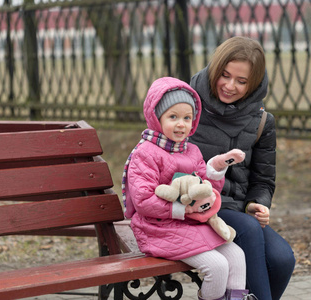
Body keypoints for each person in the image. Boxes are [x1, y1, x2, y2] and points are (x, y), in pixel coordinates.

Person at [122, 76, 255, 300]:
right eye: (173, 117)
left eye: (187, 117)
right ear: (156, 117)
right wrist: (184, 209)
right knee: (217, 266)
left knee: (236, 255)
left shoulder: (191, 150)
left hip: (190, 225)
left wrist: (216, 168)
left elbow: (205, 188)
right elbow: (144, 201)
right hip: (157, 228)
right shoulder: (146, 153)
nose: (181, 124)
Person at [190, 36, 296, 300]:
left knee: (282, 259)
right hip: (192, 208)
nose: (229, 85)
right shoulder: (187, 105)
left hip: (237, 210)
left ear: (254, 84)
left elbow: (263, 179)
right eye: (224, 75)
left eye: (241, 81)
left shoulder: (261, 121)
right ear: (215, 68)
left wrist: (256, 204)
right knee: (247, 230)